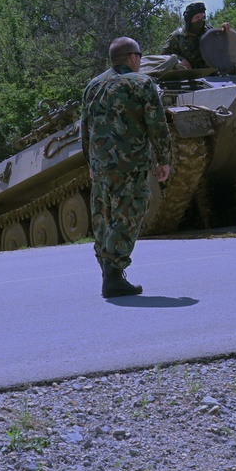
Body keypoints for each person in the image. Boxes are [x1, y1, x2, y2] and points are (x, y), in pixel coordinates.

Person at [81, 37, 172, 298]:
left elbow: (84, 130)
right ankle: (113, 275)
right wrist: (163, 159)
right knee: (130, 212)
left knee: (104, 215)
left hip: (100, 165)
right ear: (132, 57)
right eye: (140, 56)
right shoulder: (142, 83)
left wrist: (91, 163)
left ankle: (108, 271)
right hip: (130, 163)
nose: (141, 61)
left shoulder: (93, 85)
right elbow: (158, 125)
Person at [162, 2, 230, 70]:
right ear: (189, 20)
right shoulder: (177, 36)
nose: (200, 20)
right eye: (197, 17)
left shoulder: (209, 32)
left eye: (202, 17)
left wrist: (225, 32)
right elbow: (164, 56)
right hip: (187, 76)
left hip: (210, 75)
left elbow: (222, 47)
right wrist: (179, 60)